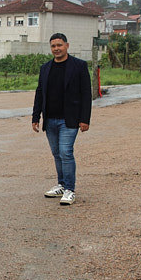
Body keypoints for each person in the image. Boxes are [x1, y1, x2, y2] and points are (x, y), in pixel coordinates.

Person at [32, 33, 92, 205]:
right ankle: (61, 184)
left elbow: (86, 94)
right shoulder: (45, 68)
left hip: (70, 119)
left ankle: (69, 190)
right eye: (53, 46)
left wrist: (85, 119)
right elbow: (40, 93)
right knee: (57, 153)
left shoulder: (79, 66)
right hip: (50, 119)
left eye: (59, 45)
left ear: (67, 45)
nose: (56, 49)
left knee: (66, 152)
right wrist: (35, 117)